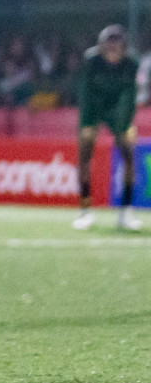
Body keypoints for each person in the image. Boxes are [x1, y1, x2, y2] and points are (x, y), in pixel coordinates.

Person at [73, 24, 140, 231]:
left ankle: (125, 212)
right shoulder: (91, 60)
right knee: (85, 154)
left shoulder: (132, 63)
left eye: (116, 46)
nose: (112, 51)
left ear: (123, 47)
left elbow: (130, 95)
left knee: (129, 156)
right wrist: (87, 124)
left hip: (117, 107)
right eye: (107, 46)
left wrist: (124, 124)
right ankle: (85, 210)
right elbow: (85, 93)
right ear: (101, 46)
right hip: (93, 107)